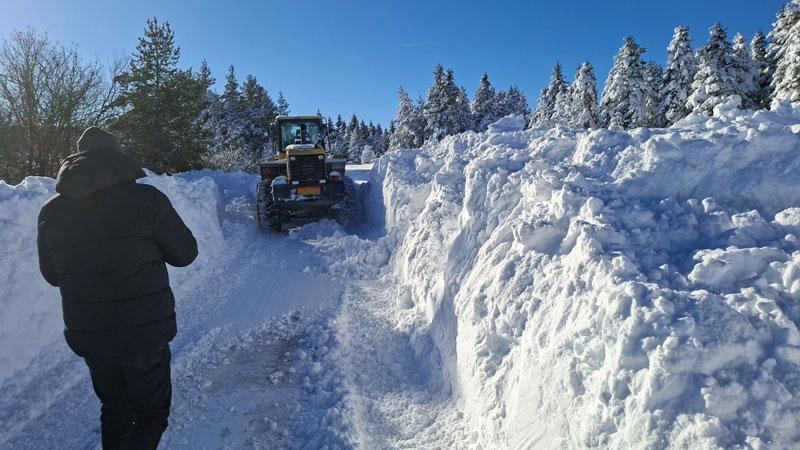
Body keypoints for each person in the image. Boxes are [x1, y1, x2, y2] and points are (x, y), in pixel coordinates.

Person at [37, 127, 198, 449]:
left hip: (91, 335)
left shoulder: (51, 212)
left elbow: (52, 275)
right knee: (152, 413)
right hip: (144, 334)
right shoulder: (147, 200)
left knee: (115, 407)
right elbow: (185, 254)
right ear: (117, 156)